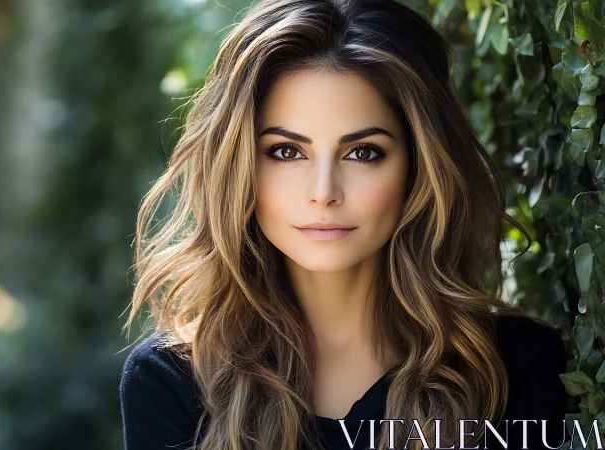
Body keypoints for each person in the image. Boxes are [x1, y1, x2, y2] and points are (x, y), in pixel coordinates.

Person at [119, 0, 571, 449]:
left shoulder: (515, 367)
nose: (323, 191)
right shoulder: (172, 383)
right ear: (239, 166)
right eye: (286, 151)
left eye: (363, 152)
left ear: (418, 166)